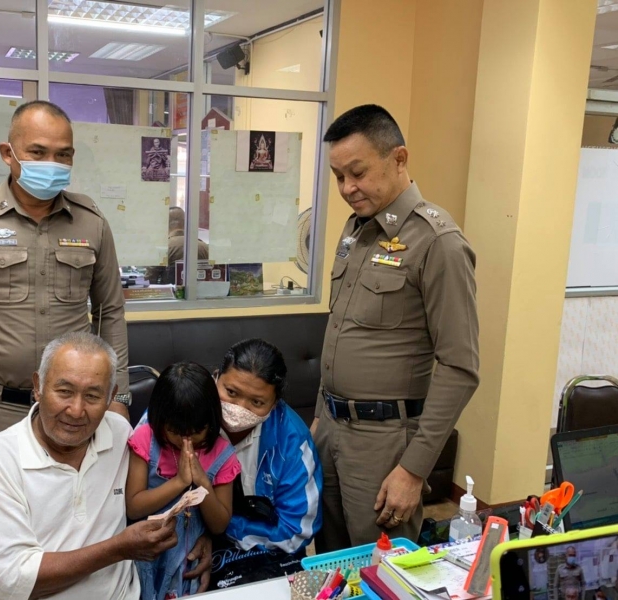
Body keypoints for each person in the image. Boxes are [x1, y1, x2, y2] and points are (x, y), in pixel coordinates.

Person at [0, 100, 133, 498]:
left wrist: (118, 396)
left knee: (76, 513)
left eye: (63, 154)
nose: (51, 163)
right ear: (8, 153)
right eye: (38, 152)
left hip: (75, 409)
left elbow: (110, 313)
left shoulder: (91, 221)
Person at [312, 104, 480, 550]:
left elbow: (460, 367)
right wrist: (320, 419)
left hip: (384, 444)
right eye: (338, 176)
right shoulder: (356, 230)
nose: (347, 188)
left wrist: (414, 468)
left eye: (358, 173)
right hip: (331, 429)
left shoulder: (438, 242)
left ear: (399, 158)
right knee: (330, 562)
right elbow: (340, 333)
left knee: (378, 568)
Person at [0, 331, 177, 599]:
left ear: (111, 397)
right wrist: (118, 549)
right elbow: (11, 582)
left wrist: (199, 535)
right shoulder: (0, 458)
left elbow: (160, 487)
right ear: (38, 386)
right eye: (65, 392)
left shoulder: (120, 434)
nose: (76, 411)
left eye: (92, 396)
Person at [209, 339, 322, 590]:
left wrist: (221, 529)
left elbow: (297, 529)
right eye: (231, 392)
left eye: (257, 402)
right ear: (216, 377)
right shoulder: (184, 407)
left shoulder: (292, 441)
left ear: (275, 402)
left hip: (268, 550)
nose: (239, 409)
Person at [126, 362, 239, 600]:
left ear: (211, 421)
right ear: (159, 418)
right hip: (146, 558)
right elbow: (134, 507)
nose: (185, 440)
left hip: (188, 565)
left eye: (196, 432)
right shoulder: (146, 438)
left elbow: (219, 525)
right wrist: (179, 482)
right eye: (175, 431)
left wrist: (202, 482)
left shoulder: (221, 454)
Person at [146, 207, 209, 285]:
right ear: (186, 223)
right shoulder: (204, 247)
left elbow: (149, 281)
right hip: (200, 292)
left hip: (171, 292)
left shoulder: (162, 248)